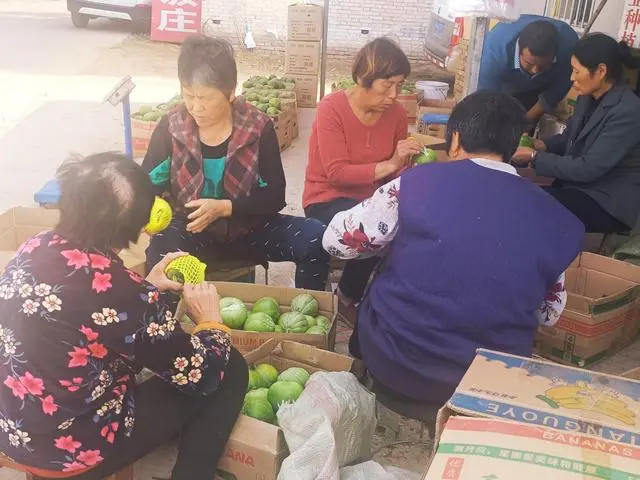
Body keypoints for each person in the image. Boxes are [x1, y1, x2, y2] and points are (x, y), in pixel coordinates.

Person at [323, 91, 584, 407]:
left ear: (456, 140)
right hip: (490, 387)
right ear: (513, 148)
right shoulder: (553, 217)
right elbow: (549, 314)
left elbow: (336, 242)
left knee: (382, 268)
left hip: (396, 367)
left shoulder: (415, 184)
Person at [0, 153, 248, 479]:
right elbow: (200, 373)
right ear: (135, 226)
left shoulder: (35, 246)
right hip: (74, 450)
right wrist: (210, 321)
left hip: (15, 429)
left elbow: (81, 309)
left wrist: (145, 288)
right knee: (228, 367)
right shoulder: (125, 294)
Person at [143, 35, 329, 291]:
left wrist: (225, 207)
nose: (196, 107)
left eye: (205, 98)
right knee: (160, 254)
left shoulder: (258, 128)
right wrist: (147, 209)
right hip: (189, 231)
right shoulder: (171, 127)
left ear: (230, 92)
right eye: (189, 95)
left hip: (250, 229)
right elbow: (146, 185)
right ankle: (167, 326)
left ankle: (307, 315)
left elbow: (274, 196)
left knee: (316, 237)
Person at [303, 37, 422, 321]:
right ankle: (344, 297)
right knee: (373, 230)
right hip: (326, 198)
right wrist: (391, 162)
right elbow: (337, 173)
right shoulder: (332, 109)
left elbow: (394, 174)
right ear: (362, 78)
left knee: (408, 227)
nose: (394, 94)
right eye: (387, 84)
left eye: (400, 85)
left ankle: (356, 295)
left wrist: (407, 164)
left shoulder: (396, 114)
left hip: (372, 200)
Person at [513, 34, 640, 234]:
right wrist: (539, 145)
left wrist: (534, 157)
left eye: (576, 71)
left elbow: (588, 168)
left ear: (600, 71)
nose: (571, 78)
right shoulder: (587, 98)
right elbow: (568, 139)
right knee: (521, 195)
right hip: (578, 188)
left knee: (530, 206)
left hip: (604, 201)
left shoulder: (628, 112)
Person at [478, 15, 578, 124]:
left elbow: (555, 92)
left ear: (554, 54)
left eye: (542, 65)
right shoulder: (494, 53)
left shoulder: (569, 48)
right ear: (519, 50)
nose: (535, 71)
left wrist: (525, 122)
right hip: (507, 84)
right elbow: (486, 100)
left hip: (543, 86)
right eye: (529, 63)